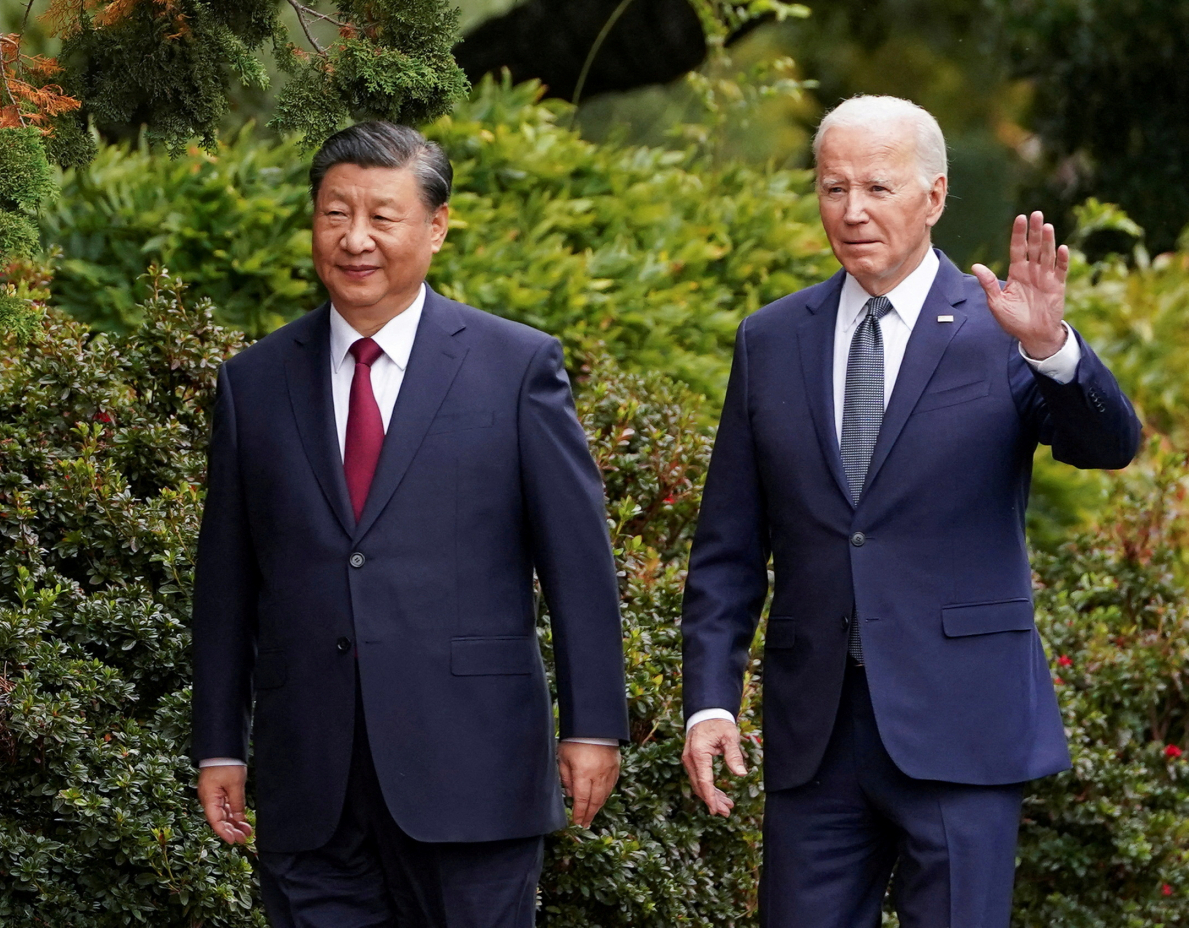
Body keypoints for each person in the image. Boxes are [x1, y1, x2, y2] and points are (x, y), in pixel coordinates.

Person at [679, 95, 1141, 928]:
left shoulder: (1000, 329)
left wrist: (1051, 348)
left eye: (877, 189)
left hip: (961, 725)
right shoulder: (771, 339)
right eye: (832, 189)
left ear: (933, 197)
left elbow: (1107, 445)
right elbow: (728, 548)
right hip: (814, 735)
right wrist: (711, 700)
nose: (852, 211)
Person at [191, 121, 628, 928]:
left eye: (381, 217)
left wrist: (594, 724)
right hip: (310, 780)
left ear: (436, 226)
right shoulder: (253, 383)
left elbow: (578, 565)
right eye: (334, 214)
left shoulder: (516, 367)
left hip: (474, 770)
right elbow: (226, 584)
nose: (355, 239)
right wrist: (221, 743)